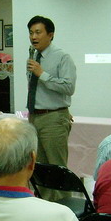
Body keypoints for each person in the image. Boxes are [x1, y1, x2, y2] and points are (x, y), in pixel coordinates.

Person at [26, 15, 77, 201]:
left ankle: (65, 207)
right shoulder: (33, 56)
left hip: (53, 118)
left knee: (57, 168)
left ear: (50, 34)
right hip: (34, 117)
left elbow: (69, 87)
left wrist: (42, 74)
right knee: (39, 168)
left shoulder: (62, 57)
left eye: (38, 32)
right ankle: (45, 206)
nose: (33, 37)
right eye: (31, 33)